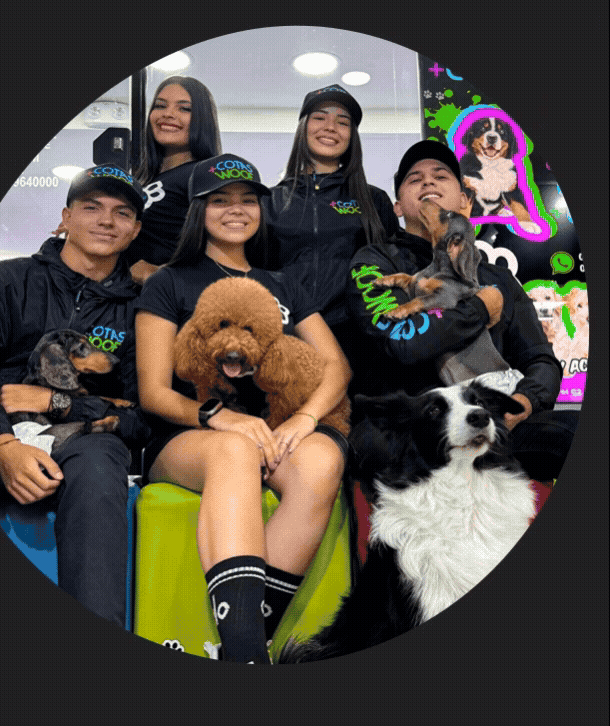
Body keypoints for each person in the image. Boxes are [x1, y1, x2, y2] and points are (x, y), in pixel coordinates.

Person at [135, 154, 351, 663]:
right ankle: (249, 655)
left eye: (247, 200)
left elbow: (336, 366)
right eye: (220, 200)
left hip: (273, 432)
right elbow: (154, 392)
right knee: (233, 450)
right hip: (190, 437)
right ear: (199, 210)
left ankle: (243, 646)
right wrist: (221, 416)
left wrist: (305, 419)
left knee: (322, 460)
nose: (236, 209)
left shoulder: (283, 284)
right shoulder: (170, 282)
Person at [0, 165, 151, 626]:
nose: (106, 220)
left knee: (101, 467)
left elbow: (142, 417)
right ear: (65, 217)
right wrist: (2, 444)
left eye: (121, 213)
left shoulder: (141, 309)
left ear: (135, 230)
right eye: (91, 207)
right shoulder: (2, 280)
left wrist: (57, 404)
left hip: (86, 442)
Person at [346, 140, 578, 482]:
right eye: (414, 179)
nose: (428, 181)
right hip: (410, 428)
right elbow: (403, 342)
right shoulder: (374, 263)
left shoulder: (498, 278)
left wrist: (523, 403)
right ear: (397, 206)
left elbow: (540, 360)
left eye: (441, 176)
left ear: (465, 201)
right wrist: (480, 309)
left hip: (493, 423)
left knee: (571, 430)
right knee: (375, 444)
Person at [264, 84, 399, 350]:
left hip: (359, 338)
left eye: (343, 122)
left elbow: (395, 268)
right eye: (319, 117)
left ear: (352, 136)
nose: (330, 127)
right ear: (303, 127)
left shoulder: (374, 200)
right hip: (286, 337)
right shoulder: (268, 201)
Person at [123, 76, 222, 285]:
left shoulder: (204, 175)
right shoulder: (140, 180)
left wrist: (158, 274)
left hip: (165, 301)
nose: (168, 114)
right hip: (122, 297)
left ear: (202, 119)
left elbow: (225, 253)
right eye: (160, 105)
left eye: (184, 108)